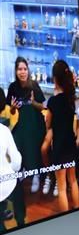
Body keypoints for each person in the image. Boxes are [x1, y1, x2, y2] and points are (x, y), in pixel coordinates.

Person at [6, 57, 45, 193]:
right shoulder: (13, 87)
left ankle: (36, 174)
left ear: (28, 70)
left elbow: (42, 107)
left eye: (24, 69)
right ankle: (23, 170)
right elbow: (11, 111)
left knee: (33, 146)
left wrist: (33, 103)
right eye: (19, 69)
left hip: (35, 123)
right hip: (20, 123)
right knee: (17, 144)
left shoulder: (34, 85)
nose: (22, 72)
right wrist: (12, 108)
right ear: (16, 71)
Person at [45, 60, 79, 213]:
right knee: (73, 181)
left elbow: (48, 124)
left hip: (59, 148)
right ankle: (77, 209)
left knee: (61, 187)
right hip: (70, 145)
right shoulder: (70, 99)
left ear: (55, 79)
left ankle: (66, 217)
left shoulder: (53, 101)